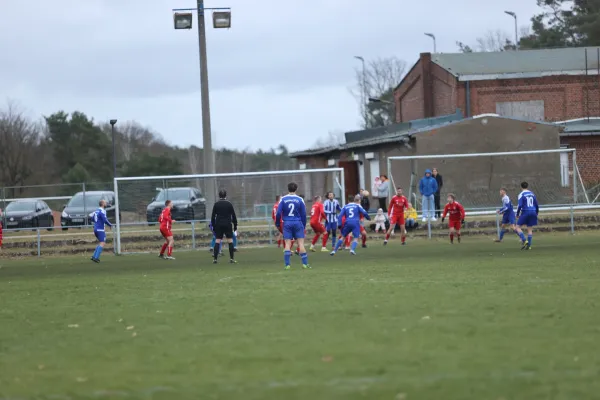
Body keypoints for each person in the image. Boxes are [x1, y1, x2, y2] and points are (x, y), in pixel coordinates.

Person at [275, 182, 309, 270]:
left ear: (288, 189)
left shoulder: (283, 199)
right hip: (298, 222)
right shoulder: (300, 199)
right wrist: (304, 225)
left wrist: (278, 223)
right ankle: (305, 264)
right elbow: (304, 214)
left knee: (287, 243)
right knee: (301, 243)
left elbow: (278, 213)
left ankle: (287, 265)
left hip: (287, 223)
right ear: (296, 189)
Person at [210, 189, 238, 264]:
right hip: (227, 224)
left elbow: (212, 216)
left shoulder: (216, 204)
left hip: (219, 224)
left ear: (219, 196)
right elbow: (234, 216)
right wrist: (235, 225)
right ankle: (231, 259)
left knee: (217, 241)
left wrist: (213, 226)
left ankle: (215, 259)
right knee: (230, 241)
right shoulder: (229, 204)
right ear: (226, 195)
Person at [516, 182, 539, 250]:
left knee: (517, 227)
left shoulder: (521, 194)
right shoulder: (532, 194)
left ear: (521, 187)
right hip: (533, 212)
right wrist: (537, 212)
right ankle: (529, 245)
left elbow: (520, 205)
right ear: (527, 186)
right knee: (529, 229)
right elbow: (536, 204)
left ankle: (524, 240)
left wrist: (517, 214)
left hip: (526, 211)